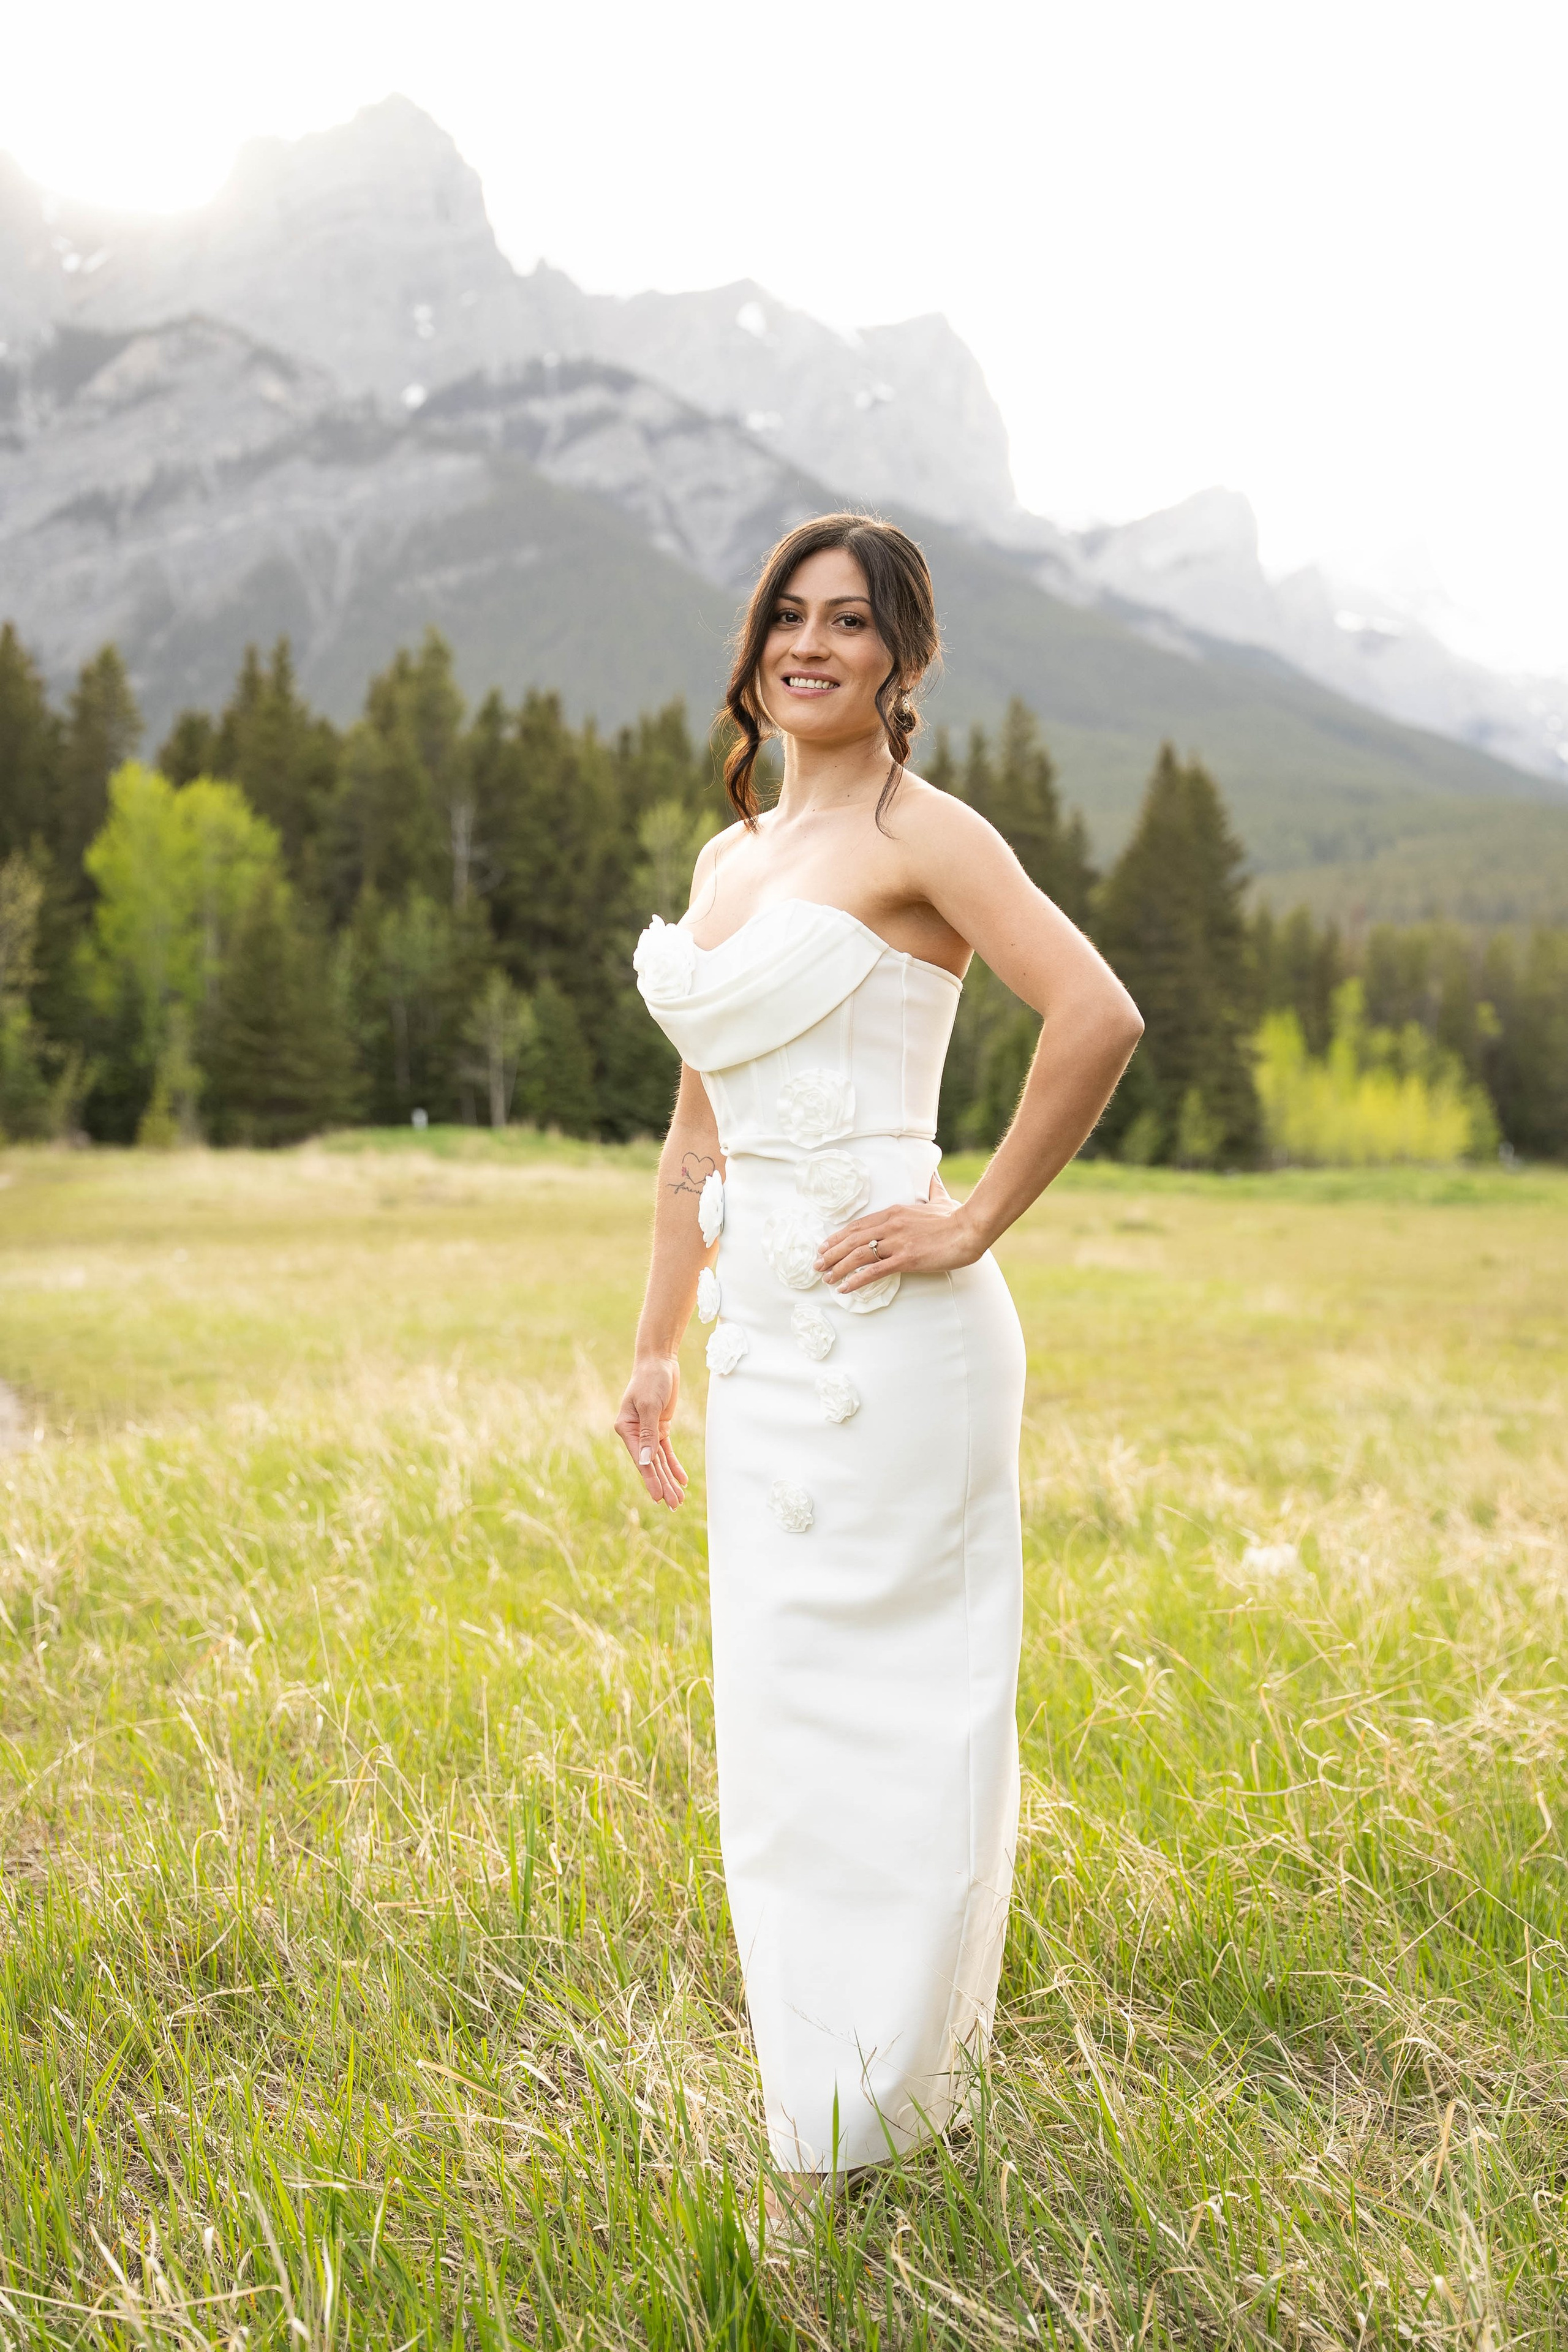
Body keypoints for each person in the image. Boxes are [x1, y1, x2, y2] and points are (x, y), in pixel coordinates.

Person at [616, 512, 1142, 2212]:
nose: (810, 644)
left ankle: (889, 2119)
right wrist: (652, 1353)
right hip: (759, 1344)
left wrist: (974, 1215)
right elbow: (695, 1143)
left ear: (905, 660)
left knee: (909, 1720)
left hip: (901, 1347)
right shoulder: (729, 860)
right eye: (789, 614)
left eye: (851, 623)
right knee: (778, 1730)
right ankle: (819, 2108)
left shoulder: (936, 835)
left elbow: (1098, 1014)